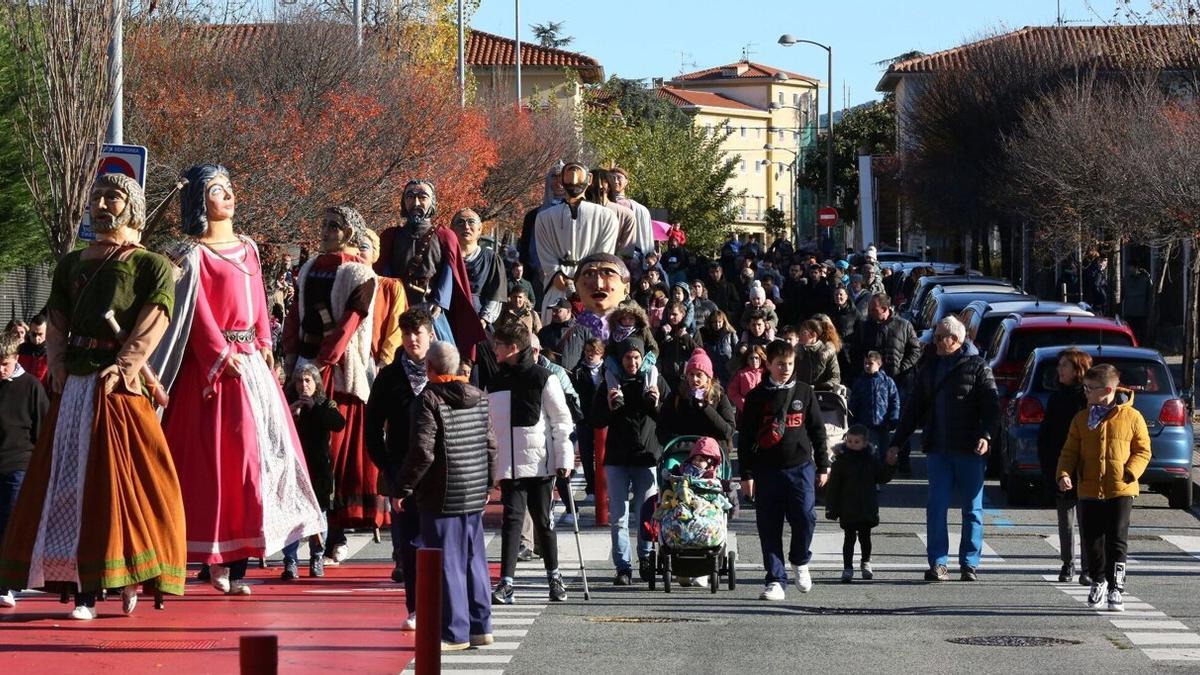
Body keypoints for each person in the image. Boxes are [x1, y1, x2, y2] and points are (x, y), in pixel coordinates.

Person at [0, 173, 185, 620]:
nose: (102, 204)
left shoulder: (152, 266)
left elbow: (153, 319)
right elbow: (59, 318)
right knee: (69, 485)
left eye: (114, 197)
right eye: (97, 196)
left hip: (119, 393)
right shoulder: (71, 264)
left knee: (125, 485)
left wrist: (125, 367)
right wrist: (58, 364)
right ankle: (83, 587)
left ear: (133, 207)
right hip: (76, 388)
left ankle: (130, 573)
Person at [152, 164, 325, 595]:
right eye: (215, 190)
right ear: (198, 201)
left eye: (229, 188)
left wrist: (265, 340)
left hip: (252, 364)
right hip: (215, 373)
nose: (227, 196)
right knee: (215, 465)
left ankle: (240, 558)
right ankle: (213, 558)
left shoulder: (247, 248)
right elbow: (197, 313)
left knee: (257, 460)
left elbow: (260, 300)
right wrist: (218, 353)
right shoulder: (191, 255)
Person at [282, 205, 381, 564]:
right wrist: (290, 355)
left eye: (334, 226)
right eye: (323, 224)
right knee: (302, 449)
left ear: (349, 232)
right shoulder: (309, 269)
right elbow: (296, 314)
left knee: (333, 455)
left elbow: (350, 323)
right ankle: (305, 533)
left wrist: (324, 360)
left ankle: (334, 530)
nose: (325, 230)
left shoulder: (359, 273)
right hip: (305, 366)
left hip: (335, 373)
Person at [393, 342, 497, 650]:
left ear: (430, 368)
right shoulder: (479, 397)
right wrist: (488, 483)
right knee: (474, 558)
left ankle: (454, 631)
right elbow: (490, 445)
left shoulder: (428, 399)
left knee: (447, 562)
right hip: (474, 489)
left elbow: (422, 452)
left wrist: (402, 487)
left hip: (441, 492)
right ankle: (481, 626)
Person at [889, 316, 998, 583]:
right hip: (939, 448)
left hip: (969, 450)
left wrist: (986, 435)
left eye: (939, 338)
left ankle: (969, 563)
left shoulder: (979, 367)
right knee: (936, 506)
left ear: (956, 340)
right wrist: (897, 442)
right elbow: (914, 408)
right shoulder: (930, 367)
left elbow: (992, 407)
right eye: (935, 337)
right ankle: (938, 562)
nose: (935, 342)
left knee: (972, 508)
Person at [487, 322, 573, 604]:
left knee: (543, 521)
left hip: (540, 465)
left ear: (513, 348)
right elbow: (488, 425)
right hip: (509, 465)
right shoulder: (495, 381)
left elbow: (561, 421)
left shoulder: (544, 377)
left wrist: (564, 459)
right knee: (511, 522)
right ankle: (506, 582)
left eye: (498, 344)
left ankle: (554, 576)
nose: (494, 348)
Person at [738, 340, 830, 600]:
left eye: (789, 364)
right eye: (780, 364)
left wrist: (824, 464)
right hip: (767, 471)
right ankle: (776, 579)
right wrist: (746, 475)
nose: (785, 368)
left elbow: (817, 430)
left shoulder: (804, 391)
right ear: (768, 364)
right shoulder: (757, 397)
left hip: (800, 468)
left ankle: (800, 560)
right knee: (769, 526)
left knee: (806, 517)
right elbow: (744, 439)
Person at [1057, 363, 1150, 612]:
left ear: (1107, 390)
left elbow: (1143, 450)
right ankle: (1098, 580)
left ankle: (1116, 588)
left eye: (1090, 388)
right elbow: (1069, 452)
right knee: (1092, 539)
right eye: (1084, 388)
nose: (1085, 392)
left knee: (1117, 540)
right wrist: (1064, 473)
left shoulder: (1132, 417)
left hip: (1121, 488)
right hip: (1088, 488)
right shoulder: (1082, 418)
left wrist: (1130, 471)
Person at [365, 307, 434, 622]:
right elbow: (372, 425)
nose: (411, 340)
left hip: (438, 470)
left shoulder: (442, 370)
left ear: (429, 335)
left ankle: (444, 605)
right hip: (401, 468)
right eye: (406, 334)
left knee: (438, 539)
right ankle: (417, 607)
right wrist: (387, 465)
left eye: (417, 333)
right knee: (408, 542)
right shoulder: (389, 377)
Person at [375, 180, 484, 362]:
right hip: (397, 308)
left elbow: (450, 272)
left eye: (422, 197)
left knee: (441, 360)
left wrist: (440, 302)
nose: (416, 203)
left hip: (430, 308)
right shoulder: (391, 236)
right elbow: (383, 274)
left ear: (432, 202)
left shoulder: (444, 235)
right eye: (410, 197)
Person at [591, 337, 667, 585]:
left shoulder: (654, 380)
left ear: (643, 358)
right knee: (619, 517)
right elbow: (596, 420)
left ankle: (646, 558)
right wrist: (610, 406)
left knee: (646, 513)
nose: (632, 362)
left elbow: (668, 417)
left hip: (646, 456)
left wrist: (656, 403)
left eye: (636, 357)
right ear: (620, 360)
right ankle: (623, 567)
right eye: (627, 358)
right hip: (618, 458)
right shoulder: (610, 382)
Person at [281, 364, 345, 579]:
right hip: (294, 467)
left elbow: (338, 423)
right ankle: (290, 560)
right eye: (300, 381)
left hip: (319, 469)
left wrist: (314, 409)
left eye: (308, 380)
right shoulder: (287, 404)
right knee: (291, 513)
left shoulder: (325, 404)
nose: (304, 385)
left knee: (320, 514)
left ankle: (317, 557)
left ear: (316, 383)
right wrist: (292, 411)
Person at [535, 162, 620, 323]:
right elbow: (544, 252)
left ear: (589, 179)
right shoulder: (544, 217)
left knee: (593, 338)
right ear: (561, 179)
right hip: (557, 287)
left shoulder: (606, 216)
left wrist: (588, 276)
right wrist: (555, 273)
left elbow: (604, 255)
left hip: (593, 286)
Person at [0, 330, 48, 608]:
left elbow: (42, 431)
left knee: (8, 525)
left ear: (16, 359)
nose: (0, 369)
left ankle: (6, 585)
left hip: (18, 465)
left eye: (4, 363)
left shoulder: (31, 387)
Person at [1037, 348, 1093, 585]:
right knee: (1066, 519)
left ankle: (1088, 567)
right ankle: (1068, 563)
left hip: (1087, 469)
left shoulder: (1088, 400)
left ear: (1078, 370)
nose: (1059, 370)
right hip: (1063, 467)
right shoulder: (1056, 398)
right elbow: (1046, 435)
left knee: (1088, 520)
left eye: (1064, 366)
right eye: (1059, 365)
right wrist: (1051, 468)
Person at [825, 425, 896, 582]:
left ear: (865, 443)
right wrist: (831, 507)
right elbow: (834, 487)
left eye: (856, 441)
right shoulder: (841, 461)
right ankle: (847, 567)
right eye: (849, 441)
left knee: (865, 537)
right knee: (848, 538)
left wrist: (890, 465)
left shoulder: (871, 459)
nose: (851, 444)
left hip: (866, 506)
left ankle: (865, 562)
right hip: (847, 506)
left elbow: (881, 477)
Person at [360, 229, 406, 370]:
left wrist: (385, 360)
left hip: (375, 363)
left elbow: (397, 326)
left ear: (374, 252)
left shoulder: (390, 287)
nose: (357, 252)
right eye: (353, 246)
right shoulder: (338, 284)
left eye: (363, 247)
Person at [452, 208, 506, 328]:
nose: (466, 226)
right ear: (452, 229)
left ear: (480, 229)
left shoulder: (491, 258)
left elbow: (496, 295)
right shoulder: (446, 257)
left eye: (471, 222)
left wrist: (484, 320)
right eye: (460, 222)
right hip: (450, 319)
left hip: (478, 322)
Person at [570, 337, 606, 497]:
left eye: (594, 352)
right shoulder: (577, 371)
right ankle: (591, 487)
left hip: (604, 418)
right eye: (588, 351)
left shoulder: (609, 369)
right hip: (584, 418)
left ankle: (605, 486)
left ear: (601, 353)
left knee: (605, 453)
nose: (591, 355)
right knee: (586, 454)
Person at [847, 351, 901, 454]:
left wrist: (893, 418)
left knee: (884, 451)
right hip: (864, 423)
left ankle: (884, 469)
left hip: (883, 423)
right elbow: (853, 403)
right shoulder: (860, 382)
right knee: (867, 452)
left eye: (870, 363)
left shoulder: (887, 382)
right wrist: (852, 420)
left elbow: (895, 401)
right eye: (865, 363)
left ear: (879, 364)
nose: (867, 366)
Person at [608, 167, 654, 257]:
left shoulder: (640, 209)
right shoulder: (601, 206)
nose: (616, 181)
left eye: (619, 178)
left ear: (626, 182)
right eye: (612, 178)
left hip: (633, 255)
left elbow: (646, 240)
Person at [538, 297, 592, 372]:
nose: (554, 313)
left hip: (575, 377)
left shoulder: (583, 330)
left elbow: (591, 351)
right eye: (553, 310)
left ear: (568, 311)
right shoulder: (544, 332)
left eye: (558, 310)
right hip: (551, 375)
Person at [794, 319, 840, 391]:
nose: (799, 336)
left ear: (813, 335)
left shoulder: (827, 352)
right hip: (801, 393)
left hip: (821, 394)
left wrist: (820, 387)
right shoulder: (796, 352)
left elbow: (835, 377)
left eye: (803, 333)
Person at [699, 310, 737, 387]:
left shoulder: (730, 335)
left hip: (728, 372)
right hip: (712, 371)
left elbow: (737, 352)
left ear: (724, 322)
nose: (717, 324)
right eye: (714, 322)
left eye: (719, 322)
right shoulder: (705, 335)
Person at [727, 344, 766, 417]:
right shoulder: (741, 374)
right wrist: (744, 404)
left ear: (761, 358)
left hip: (764, 411)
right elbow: (732, 392)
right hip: (746, 412)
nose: (754, 361)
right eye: (751, 358)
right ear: (747, 360)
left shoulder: (767, 372)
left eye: (757, 358)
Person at [16, 314, 48, 387]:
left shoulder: (51, 353)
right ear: (30, 331)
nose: (37, 338)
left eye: (40, 334)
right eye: (34, 334)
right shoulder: (20, 350)